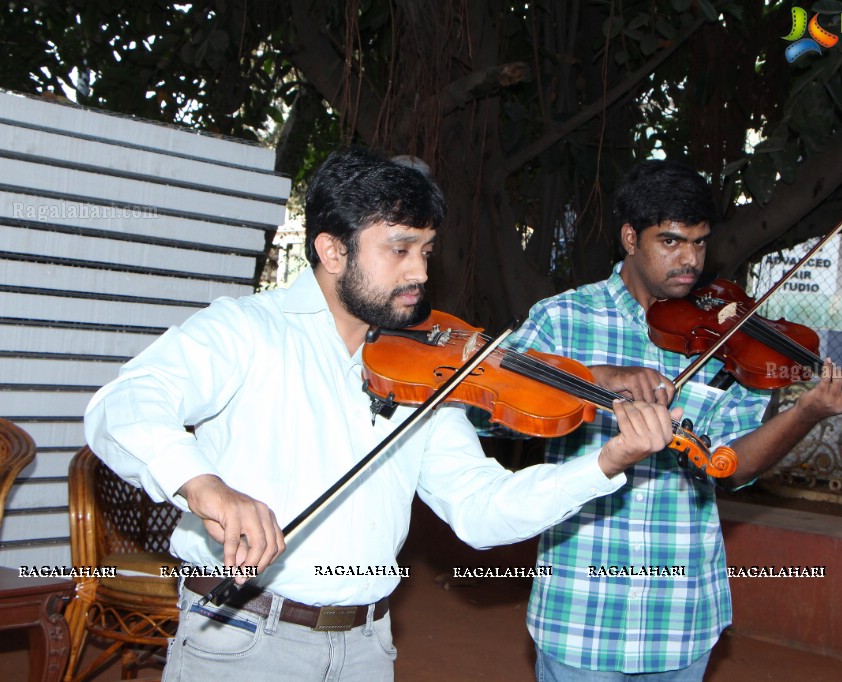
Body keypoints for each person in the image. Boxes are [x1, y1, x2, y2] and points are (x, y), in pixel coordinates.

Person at [83, 146, 682, 681]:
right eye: (399, 249)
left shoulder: (426, 367)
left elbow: (478, 508)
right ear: (332, 250)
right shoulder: (245, 330)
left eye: (425, 250)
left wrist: (605, 462)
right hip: (245, 641)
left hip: (367, 648)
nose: (420, 272)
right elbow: (122, 407)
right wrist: (207, 487)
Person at [508, 158, 842, 680]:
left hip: (680, 618)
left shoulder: (728, 338)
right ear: (631, 237)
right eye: (672, 242)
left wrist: (808, 411)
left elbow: (735, 465)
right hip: (580, 608)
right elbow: (498, 406)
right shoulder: (562, 319)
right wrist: (599, 377)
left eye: (700, 243)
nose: (691, 260)